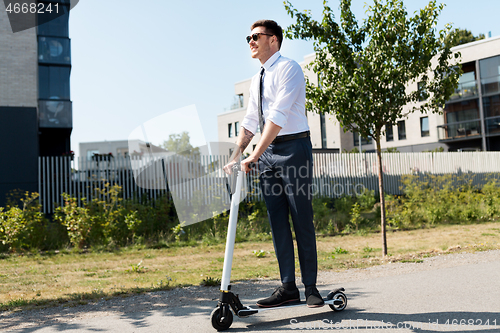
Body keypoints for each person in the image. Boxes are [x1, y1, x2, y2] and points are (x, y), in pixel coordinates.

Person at [223, 19, 323, 308]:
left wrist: (254, 154)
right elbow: (252, 120)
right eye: (248, 38)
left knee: (300, 217)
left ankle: (312, 287)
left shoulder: (289, 69)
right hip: (267, 153)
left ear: (273, 40)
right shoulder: (258, 78)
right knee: (277, 220)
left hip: (293, 148)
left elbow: (278, 115)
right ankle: (288, 287)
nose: (250, 42)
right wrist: (236, 154)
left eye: (256, 36)